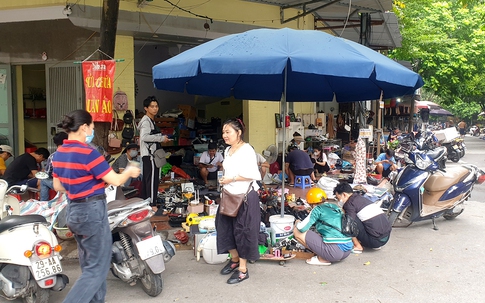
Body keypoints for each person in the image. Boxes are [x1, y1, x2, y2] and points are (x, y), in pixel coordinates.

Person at [52, 109, 141, 303]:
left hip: (74, 211)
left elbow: (58, 186)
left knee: (90, 265)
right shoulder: (87, 152)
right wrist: (129, 171)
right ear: (84, 127)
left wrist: (84, 184)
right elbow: (116, 180)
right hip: (92, 212)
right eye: (91, 126)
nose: (92, 130)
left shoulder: (59, 154)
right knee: (97, 270)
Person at [216, 118, 261, 284]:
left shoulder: (247, 150)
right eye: (223, 132)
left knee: (243, 232)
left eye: (228, 132)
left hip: (245, 197)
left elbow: (254, 175)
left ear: (239, 132)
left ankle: (243, 269)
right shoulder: (228, 150)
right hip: (228, 195)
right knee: (223, 227)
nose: (224, 135)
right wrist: (225, 181)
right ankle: (234, 258)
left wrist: (232, 179)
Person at [334, 182, 391, 253]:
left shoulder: (349, 204)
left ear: (344, 194)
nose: (338, 200)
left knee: (346, 220)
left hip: (375, 241)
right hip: (386, 238)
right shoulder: (361, 198)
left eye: (338, 197)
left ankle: (357, 246)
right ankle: (371, 241)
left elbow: (349, 226)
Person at [138, 96, 170, 206]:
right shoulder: (146, 121)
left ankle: (147, 203)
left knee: (149, 180)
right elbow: (144, 137)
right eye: (152, 107)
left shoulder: (150, 120)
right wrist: (161, 138)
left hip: (149, 155)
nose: (155, 109)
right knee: (152, 181)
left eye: (156, 106)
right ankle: (152, 205)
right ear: (146, 108)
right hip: (150, 155)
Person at [39, 132, 68, 201]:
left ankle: (44, 203)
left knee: (43, 181)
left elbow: (48, 174)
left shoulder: (53, 156)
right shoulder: (74, 153)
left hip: (61, 185)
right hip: (75, 183)